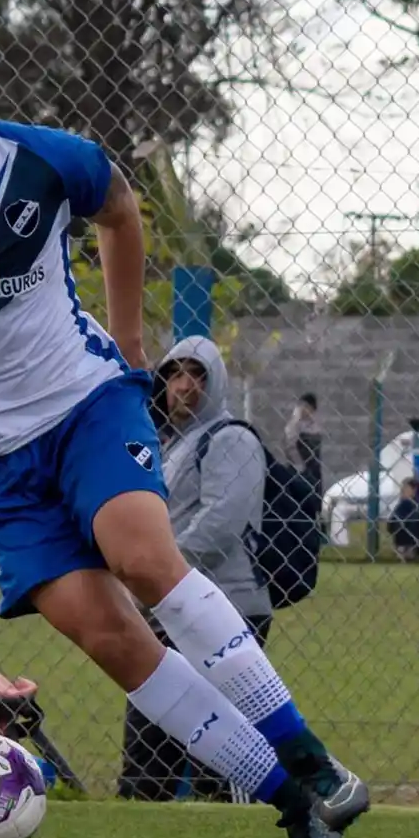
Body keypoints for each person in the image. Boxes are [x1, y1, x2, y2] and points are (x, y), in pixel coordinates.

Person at [0, 1, 368, 838]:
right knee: (114, 639)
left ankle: (309, 754)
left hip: (86, 405)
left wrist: (130, 347)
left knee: (145, 558)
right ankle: (293, 803)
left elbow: (119, 209)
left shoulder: (41, 159)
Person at [119, 336, 274, 805]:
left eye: (197, 375)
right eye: (175, 374)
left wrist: (152, 570)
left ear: (217, 382)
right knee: (159, 726)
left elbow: (220, 524)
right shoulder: (170, 445)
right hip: (173, 603)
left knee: (187, 731)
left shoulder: (232, 438)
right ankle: (153, 806)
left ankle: (207, 805)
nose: (183, 386)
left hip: (224, 603)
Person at [284, 393, 323, 494]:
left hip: (314, 469)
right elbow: (290, 446)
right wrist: (300, 467)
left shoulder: (314, 425)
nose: (303, 409)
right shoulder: (294, 425)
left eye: (307, 407)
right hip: (298, 469)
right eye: (301, 406)